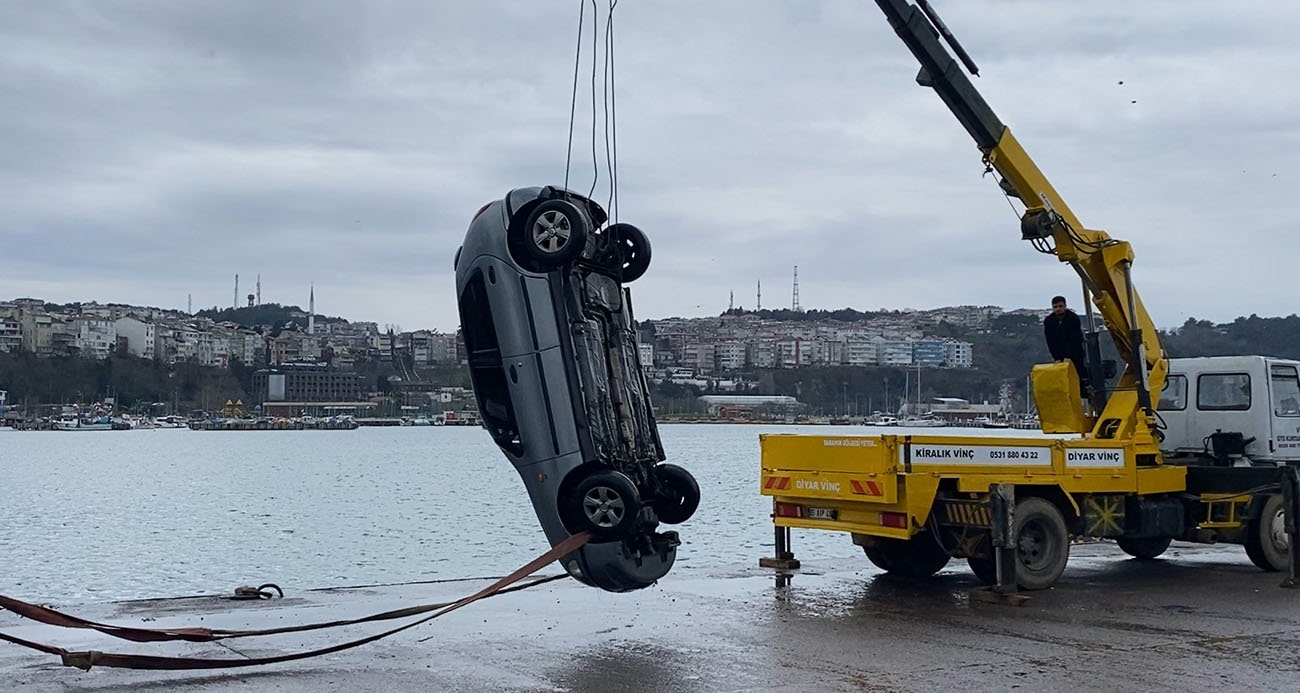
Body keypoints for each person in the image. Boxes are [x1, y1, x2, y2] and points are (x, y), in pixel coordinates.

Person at [1043, 295, 1088, 394]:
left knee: (1079, 373)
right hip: (1059, 354)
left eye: (1060, 306)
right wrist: (1057, 357)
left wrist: (1069, 356)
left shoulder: (1073, 318)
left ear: (1065, 306)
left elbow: (1075, 339)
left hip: (1076, 354)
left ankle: (1083, 390)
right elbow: (1050, 341)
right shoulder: (1049, 321)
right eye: (1055, 307)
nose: (1058, 309)